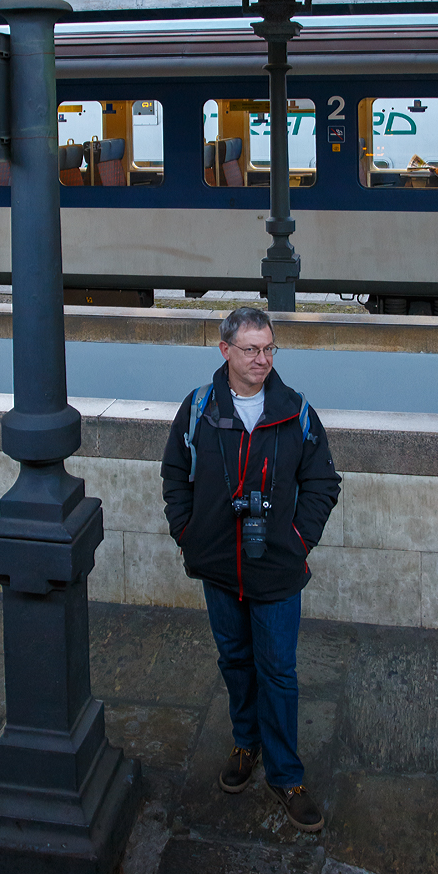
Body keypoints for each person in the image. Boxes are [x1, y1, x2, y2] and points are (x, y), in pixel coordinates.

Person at [161, 307, 341, 832]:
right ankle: (246, 744)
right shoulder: (198, 409)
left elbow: (323, 483)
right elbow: (175, 473)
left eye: (268, 349)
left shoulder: (294, 411)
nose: (261, 360)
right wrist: (187, 532)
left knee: (279, 672)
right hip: (219, 566)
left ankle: (286, 774)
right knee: (235, 661)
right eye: (250, 350)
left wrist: (300, 539)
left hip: (277, 570)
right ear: (225, 351)